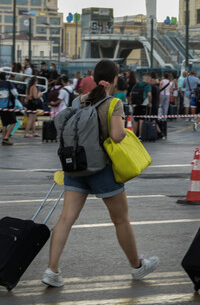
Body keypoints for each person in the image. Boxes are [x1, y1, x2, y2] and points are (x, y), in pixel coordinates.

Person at [42, 59, 159, 288]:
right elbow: (116, 136)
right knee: (120, 220)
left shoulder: (79, 100)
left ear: (95, 78)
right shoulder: (113, 103)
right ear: (114, 79)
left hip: (75, 166)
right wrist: (124, 130)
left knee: (66, 219)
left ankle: (52, 270)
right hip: (101, 168)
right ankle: (137, 267)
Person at [0, 72, 19, 145]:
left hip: (0, 107)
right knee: (13, 122)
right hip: (8, 106)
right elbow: (15, 94)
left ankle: (4, 140)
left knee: (4, 124)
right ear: (6, 77)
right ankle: (6, 138)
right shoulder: (9, 83)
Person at [130, 73, 152, 138]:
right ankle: (140, 135)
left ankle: (134, 135)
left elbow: (131, 93)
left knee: (136, 119)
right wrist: (150, 102)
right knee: (141, 119)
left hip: (136, 104)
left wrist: (131, 102)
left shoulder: (136, 84)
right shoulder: (147, 86)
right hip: (143, 104)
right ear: (148, 79)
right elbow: (149, 94)